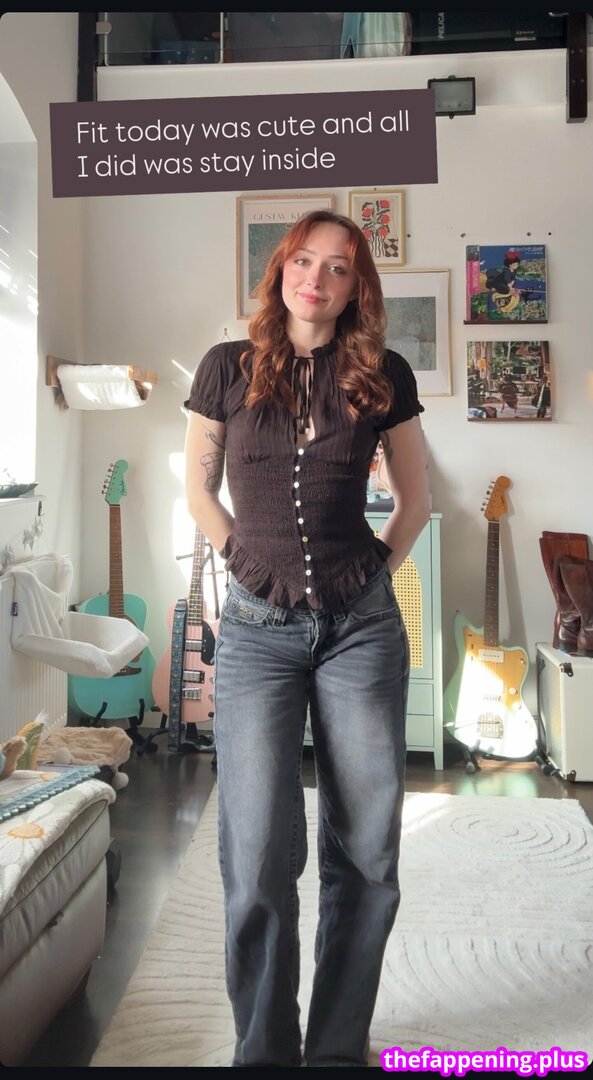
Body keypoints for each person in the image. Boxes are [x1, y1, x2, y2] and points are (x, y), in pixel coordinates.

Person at [183, 209, 430, 1068]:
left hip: (360, 632)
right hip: (257, 634)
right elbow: (197, 489)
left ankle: (333, 1050)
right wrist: (242, 565)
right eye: (302, 261)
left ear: (357, 286)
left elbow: (415, 502)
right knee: (255, 852)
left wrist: (370, 574)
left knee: (365, 853)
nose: (314, 279)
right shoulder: (225, 367)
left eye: (336, 267)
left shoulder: (383, 374)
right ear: (280, 269)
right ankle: (263, 1049)